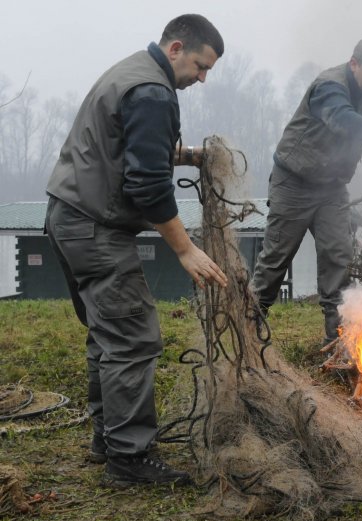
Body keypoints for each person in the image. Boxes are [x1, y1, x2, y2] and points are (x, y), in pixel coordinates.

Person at [45, 14, 228, 487]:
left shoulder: (130, 73)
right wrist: (185, 250)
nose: (202, 78)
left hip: (68, 214)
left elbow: (128, 146)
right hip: (95, 226)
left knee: (107, 333)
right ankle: (129, 459)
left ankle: (108, 440)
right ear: (176, 48)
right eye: (200, 66)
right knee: (132, 337)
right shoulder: (153, 91)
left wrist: (189, 156)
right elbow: (146, 185)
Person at [251, 39, 362, 344]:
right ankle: (246, 332)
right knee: (275, 262)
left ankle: (337, 341)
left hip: (332, 188)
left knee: (338, 259)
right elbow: (346, 121)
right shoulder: (329, 86)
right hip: (293, 182)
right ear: (354, 63)